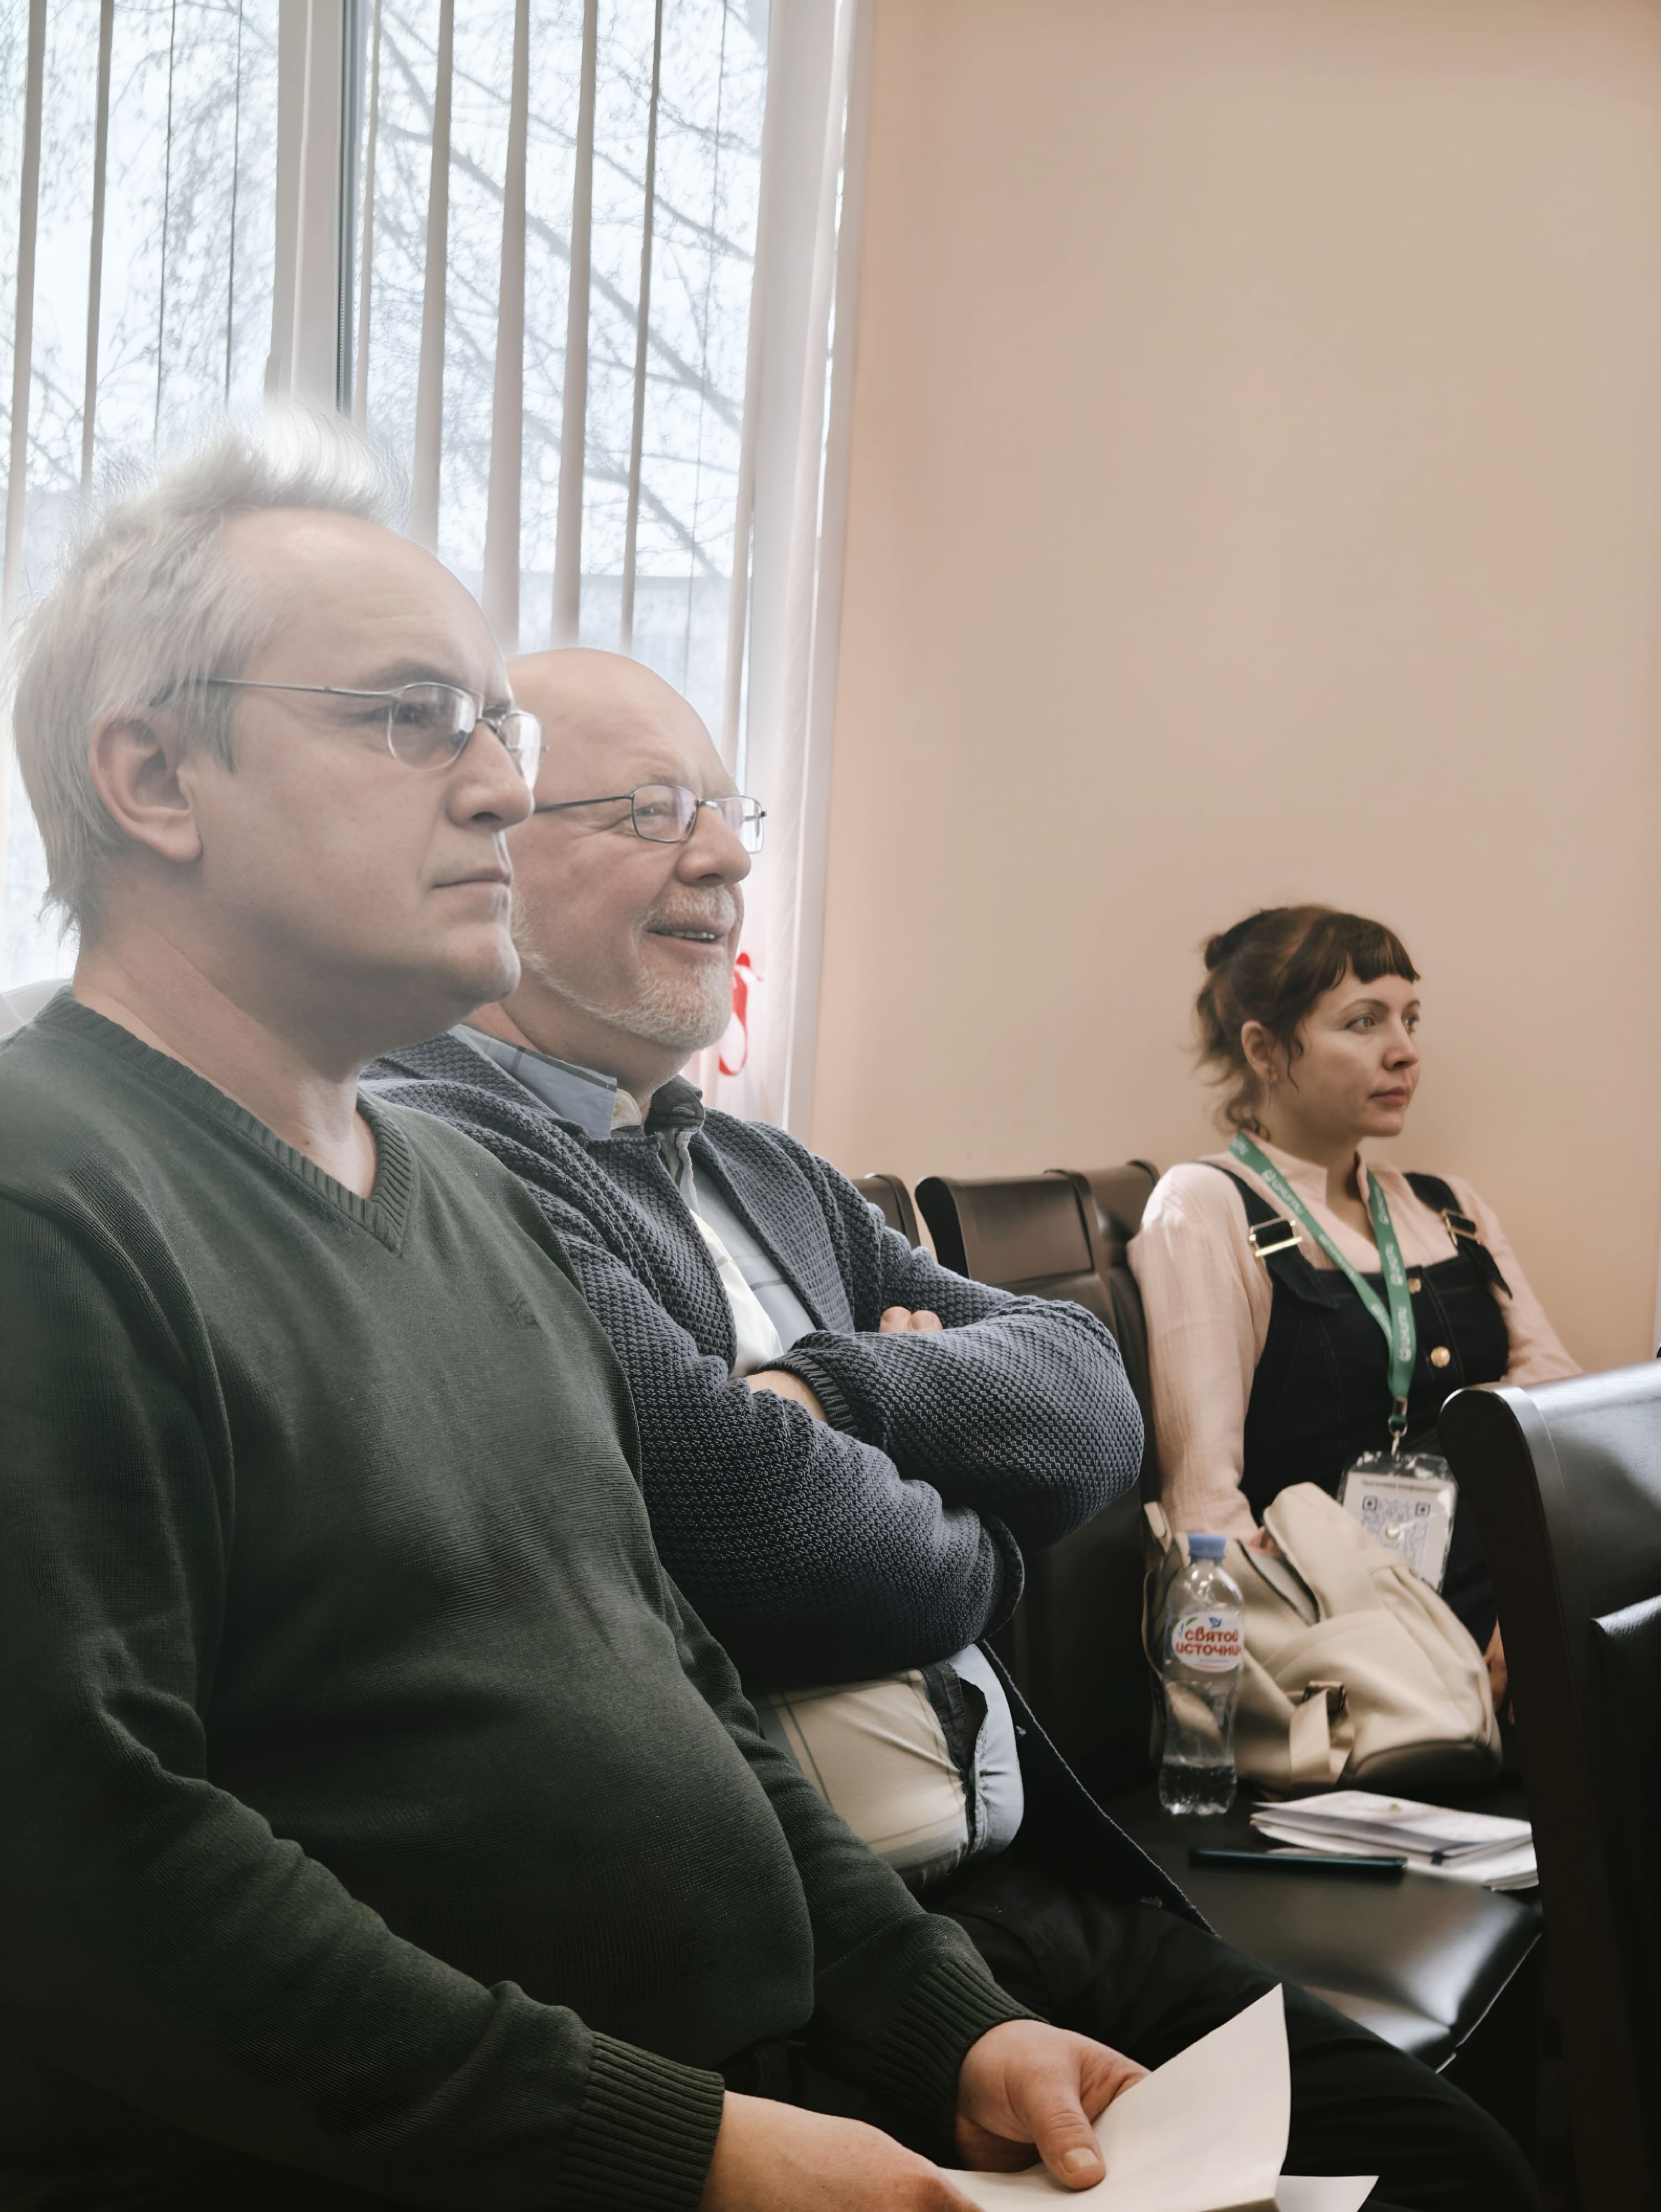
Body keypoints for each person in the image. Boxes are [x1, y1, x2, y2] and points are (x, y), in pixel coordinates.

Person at [0, 426, 1159, 2211]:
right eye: (409, 717)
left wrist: (938, 2015)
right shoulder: (50, 1192)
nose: (492, 788)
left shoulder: (466, 1192)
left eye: (495, 729)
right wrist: (682, 2146)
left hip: (740, 2091)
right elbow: (91, 1860)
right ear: (155, 775)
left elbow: (678, 1676)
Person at [369, 656, 1539, 2212]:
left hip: (1027, 1888)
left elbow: (1090, 1402)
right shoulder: (435, 1144)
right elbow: (752, 1535)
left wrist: (835, 1398)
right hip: (790, 1974)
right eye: (649, 811)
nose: (720, 859)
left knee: (1452, 2171)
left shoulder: (765, 1167)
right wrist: (974, 1534)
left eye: (726, 812)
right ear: (490, 839)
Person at [1130, 904, 1578, 1703]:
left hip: (1512, 1579)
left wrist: (1543, 1598)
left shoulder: (1447, 1206)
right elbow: (1206, 1509)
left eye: (1409, 1018)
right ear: (1264, 1049)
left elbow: (1559, 1407)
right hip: (1359, 1630)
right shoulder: (1204, 1205)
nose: (1404, 1050)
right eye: (1363, 1021)